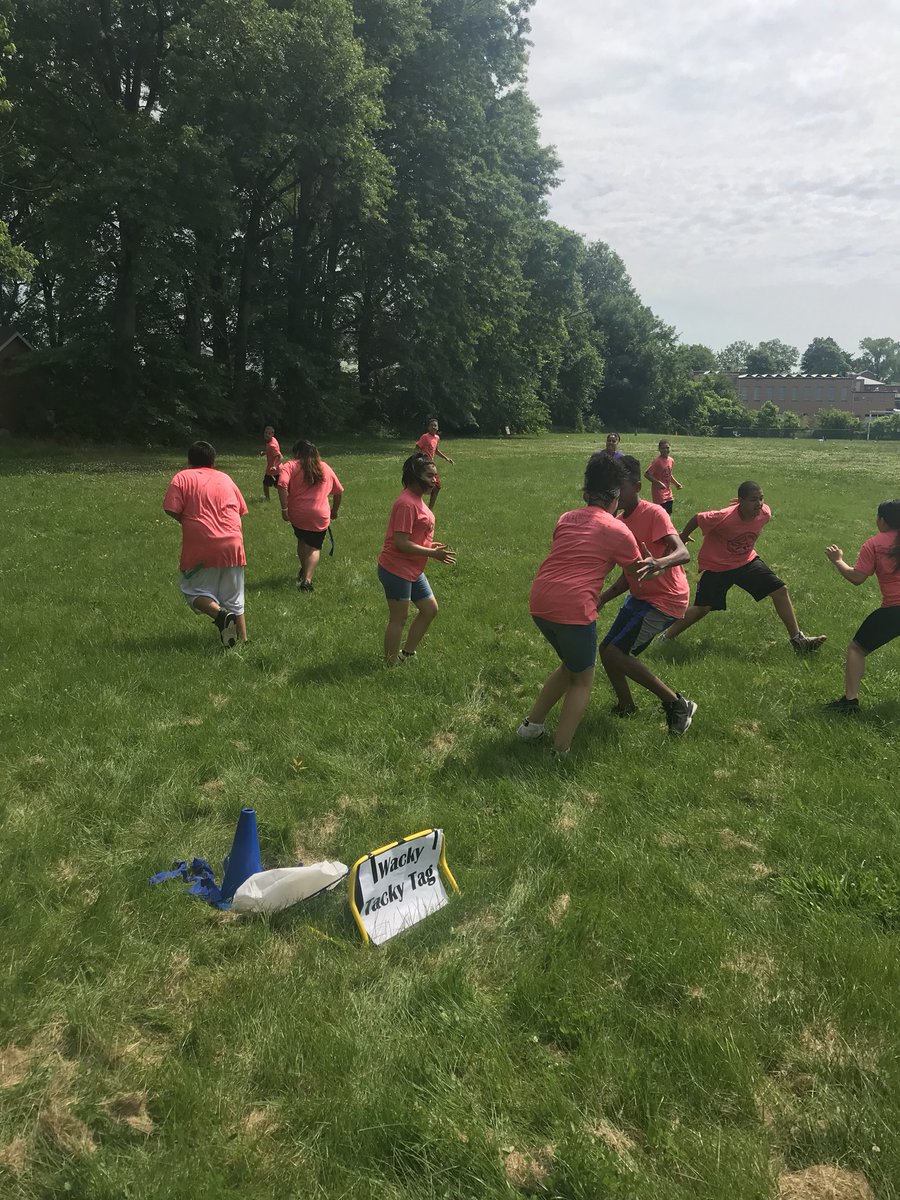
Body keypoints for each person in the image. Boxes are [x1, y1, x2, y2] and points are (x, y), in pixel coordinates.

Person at [517, 455, 651, 756]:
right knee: (583, 680)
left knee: (571, 666)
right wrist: (648, 566)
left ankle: (531, 727)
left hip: (540, 601)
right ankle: (560, 751)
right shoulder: (620, 532)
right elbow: (637, 583)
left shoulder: (566, 517)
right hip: (574, 609)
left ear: (586, 492)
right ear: (617, 495)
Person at [658, 481, 826, 653]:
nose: (759, 504)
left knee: (780, 590)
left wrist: (752, 503)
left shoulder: (765, 513)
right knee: (702, 608)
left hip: (746, 562)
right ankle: (665, 637)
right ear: (741, 501)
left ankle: (798, 641)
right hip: (717, 567)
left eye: (761, 499)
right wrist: (683, 537)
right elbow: (698, 518)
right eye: (753, 500)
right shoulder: (724, 517)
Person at [597, 456, 697, 733]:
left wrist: (659, 563)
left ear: (638, 486)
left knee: (617, 653)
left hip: (666, 599)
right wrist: (604, 597)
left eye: (621, 487)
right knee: (606, 650)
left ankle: (677, 703)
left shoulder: (654, 513)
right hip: (641, 597)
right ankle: (626, 705)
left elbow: (683, 552)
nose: (615, 493)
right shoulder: (619, 522)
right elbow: (630, 573)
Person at [163, 441, 249, 647]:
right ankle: (243, 641)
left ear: (189, 460)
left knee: (192, 591)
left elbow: (170, 508)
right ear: (213, 460)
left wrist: (190, 521)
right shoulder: (226, 478)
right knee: (235, 596)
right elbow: (241, 510)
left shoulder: (182, 477)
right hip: (233, 543)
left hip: (202, 545)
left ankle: (220, 615)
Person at [378, 453, 456, 665]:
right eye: (430, 475)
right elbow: (400, 543)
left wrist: (430, 545)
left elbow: (414, 536)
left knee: (430, 609)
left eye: (435, 476)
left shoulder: (417, 500)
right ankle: (390, 664)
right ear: (415, 475)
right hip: (396, 568)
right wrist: (432, 553)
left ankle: (407, 654)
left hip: (412, 568)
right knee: (398, 619)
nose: (435, 480)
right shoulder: (406, 504)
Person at [824, 499, 900, 713]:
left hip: (895, 610)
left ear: (882, 521)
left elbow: (857, 578)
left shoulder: (874, 544)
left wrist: (837, 560)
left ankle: (850, 702)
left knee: (857, 648)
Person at [277, 440, 343, 593]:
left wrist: (284, 508)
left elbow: (281, 485)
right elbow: (339, 492)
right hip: (319, 515)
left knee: (302, 540)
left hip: (297, 514)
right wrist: (334, 511)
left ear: (298, 453)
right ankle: (307, 580)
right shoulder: (324, 467)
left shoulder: (290, 466)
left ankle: (304, 571)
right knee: (314, 547)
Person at [415, 417, 454, 510]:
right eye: (431, 425)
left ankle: (430, 509)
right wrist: (415, 460)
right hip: (423, 465)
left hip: (431, 465)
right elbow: (417, 448)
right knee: (420, 487)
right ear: (428, 427)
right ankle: (416, 505)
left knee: (437, 487)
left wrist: (446, 458)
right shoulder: (425, 437)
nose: (433, 427)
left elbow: (435, 450)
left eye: (435, 425)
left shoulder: (437, 438)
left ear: (437, 428)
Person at [644, 439, 683, 513]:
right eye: (663, 448)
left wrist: (676, 484)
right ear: (659, 449)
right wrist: (658, 483)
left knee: (668, 514)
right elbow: (647, 474)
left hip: (668, 493)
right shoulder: (657, 461)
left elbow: (669, 475)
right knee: (660, 514)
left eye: (667, 448)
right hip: (659, 494)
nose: (665, 450)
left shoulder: (671, 460)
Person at [260, 425, 282, 501]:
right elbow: (272, 453)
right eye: (265, 432)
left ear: (272, 434)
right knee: (277, 485)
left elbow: (280, 457)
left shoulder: (272, 445)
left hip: (273, 470)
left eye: (269, 433)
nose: (266, 434)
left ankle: (267, 499)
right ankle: (286, 497)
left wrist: (275, 466)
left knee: (266, 484)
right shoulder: (271, 440)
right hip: (276, 469)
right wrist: (265, 453)